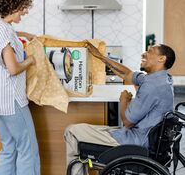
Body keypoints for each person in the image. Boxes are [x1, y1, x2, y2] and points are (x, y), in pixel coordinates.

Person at [64, 43, 176, 175]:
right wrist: (101, 57)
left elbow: (128, 121)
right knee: (83, 130)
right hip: (140, 136)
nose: (144, 53)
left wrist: (123, 101)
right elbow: (127, 74)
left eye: (150, 51)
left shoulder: (152, 85)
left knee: (72, 131)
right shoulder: (162, 79)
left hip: (134, 141)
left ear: (161, 59)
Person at [0, 0, 40, 175]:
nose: (24, 13)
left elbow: (7, 35)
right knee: (27, 149)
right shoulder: (4, 32)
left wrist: (24, 35)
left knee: (8, 149)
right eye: (23, 8)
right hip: (11, 100)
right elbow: (14, 68)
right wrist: (31, 60)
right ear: (14, 6)